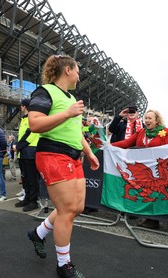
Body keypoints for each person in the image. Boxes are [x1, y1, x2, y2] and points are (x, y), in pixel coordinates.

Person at [26, 54, 99, 278]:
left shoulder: (71, 98)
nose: (79, 75)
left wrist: (89, 152)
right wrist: (68, 113)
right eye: (77, 70)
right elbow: (35, 123)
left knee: (75, 208)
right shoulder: (44, 91)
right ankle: (64, 264)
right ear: (67, 70)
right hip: (53, 154)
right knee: (67, 211)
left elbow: (75, 131)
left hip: (73, 157)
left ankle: (38, 233)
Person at [112, 109, 168, 229]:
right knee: (146, 192)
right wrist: (110, 146)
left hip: (157, 170)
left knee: (157, 192)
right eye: (146, 118)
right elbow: (126, 143)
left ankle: (154, 220)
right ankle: (147, 218)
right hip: (144, 170)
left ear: (157, 120)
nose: (147, 120)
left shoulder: (165, 132)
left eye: (150, 118)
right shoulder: (141, 132)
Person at [14, 98, 41, 211]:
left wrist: (18, 146)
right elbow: (21, 135)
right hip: (23, 152)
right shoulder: (24, 119)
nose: (21, 107)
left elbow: (32, 134)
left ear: (24, 106)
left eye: (21, 105)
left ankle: (33, 201)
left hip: (30, 152)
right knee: (25, 178)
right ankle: (27, 198)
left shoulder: (33, 118)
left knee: (32, 178)